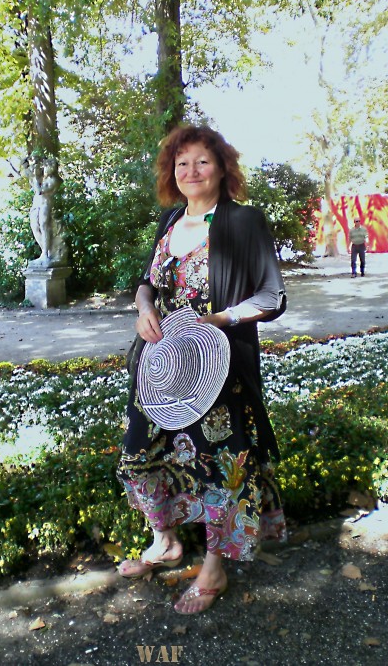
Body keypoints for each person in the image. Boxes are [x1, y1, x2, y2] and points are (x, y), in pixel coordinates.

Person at [116, 124, 287, 615]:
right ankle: (165, 540)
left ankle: (215, 568)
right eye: (181, 162)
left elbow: (271, 296)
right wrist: (142, 306)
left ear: (222, 168)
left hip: (219, 368)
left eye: (202, 161)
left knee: (220, 466)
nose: (190, 171)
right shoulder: (170, 220)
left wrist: (219, 318)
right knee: (142, 450)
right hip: (163, 364)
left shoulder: (243, 221)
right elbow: (148, 282)